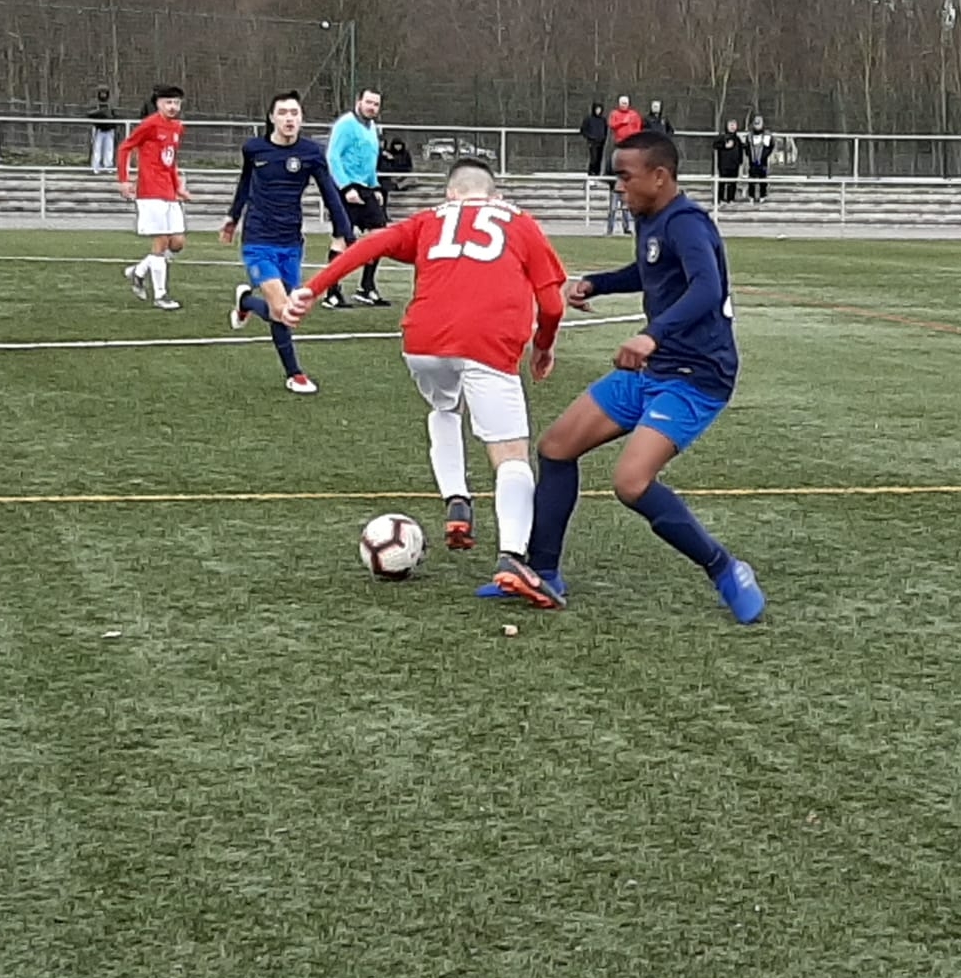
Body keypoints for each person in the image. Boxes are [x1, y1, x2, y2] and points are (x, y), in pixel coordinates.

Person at [486, 130, 765, 624]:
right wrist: (599, 284)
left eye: (624, 176)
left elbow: (707, 287)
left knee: (631, 483)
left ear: (659, 176)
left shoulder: (687, 223)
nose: (617, 185)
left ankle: (725, 569)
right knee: (557, 448)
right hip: (653, 370)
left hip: (695, 377)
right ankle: (543, 573)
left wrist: (651, 336)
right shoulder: (651, 219)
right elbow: (650, 269)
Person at [284, 158, 567, 579]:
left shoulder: (430, 219)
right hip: (488, 341)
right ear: (496, 196)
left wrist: (312, 288)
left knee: (444, 408)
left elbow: (371, 243)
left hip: (422, 339)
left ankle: (457, 500)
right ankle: (511, 555)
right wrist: (542, 345)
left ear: (450, 194)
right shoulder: (520, 222)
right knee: (510, 454)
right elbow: (553, 305)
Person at [220, 90, 354, 395]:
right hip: (258, 239)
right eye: (283, 113)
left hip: (291, 241)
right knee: (283, 311)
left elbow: (330, 193)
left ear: (301, 118)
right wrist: (233, 217)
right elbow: (245, 184)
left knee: (288, 310)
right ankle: (295, 374)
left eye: (295, 113)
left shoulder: (311, 153)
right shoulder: (254, 149)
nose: (289, 118)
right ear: (272, 118)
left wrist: (345, 233)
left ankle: (246, 302)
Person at [117, 84, 189, 310]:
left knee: (177, 243)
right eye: (168, 102)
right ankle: (160, 295)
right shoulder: (149, 125)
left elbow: (171, 161)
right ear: (158, 104)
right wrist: (124, 180)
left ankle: (139, 271)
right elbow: (125, 148)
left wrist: (178, 187)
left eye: (176, 102)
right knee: (161, 241)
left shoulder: (177, 127)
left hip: (168, 191)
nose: (173, 106)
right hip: (150, 191)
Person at [324, 88, 390, 309]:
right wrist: (346, 187)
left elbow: (370, 162)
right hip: (345, 189)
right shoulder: (346, 124)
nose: (372, 107)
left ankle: (366, 287)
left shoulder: (372, 129)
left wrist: (375, 186)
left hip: (365, 188)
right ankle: (332, 292)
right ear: (358, 102)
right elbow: (333, 157)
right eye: (368, 102)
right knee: (342, 238)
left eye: (376, 104)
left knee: (379, 236)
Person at [377, 136, 414, 220]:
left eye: (399, 145)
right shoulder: (385, 153)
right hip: (389, 176)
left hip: (403, 174)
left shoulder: (405, 154)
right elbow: (387, 166)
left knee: (412, 179)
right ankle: (396, 186)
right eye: (396, 145)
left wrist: (402, 173)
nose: (398, 147)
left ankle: (398, 186)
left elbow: (409, 167)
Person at [713, 120, 745, 206]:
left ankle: (731, 199)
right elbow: (715, 145)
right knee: (722, 182)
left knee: (733, 183)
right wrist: (724, 145)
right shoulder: (722, 137)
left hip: (734, 164)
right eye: (730, 125)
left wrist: (740, 162)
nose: (732, 126)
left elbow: (741, 150)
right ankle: (720, 199)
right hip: (724, 164)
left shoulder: (738, 139)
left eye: (734, 125)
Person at [88, 87, 118, 174]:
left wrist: (112, 123)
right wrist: (100, 112)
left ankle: (108, 166)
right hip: (98, 129)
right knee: (97, 148)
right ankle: (96, 167)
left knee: (109, 149)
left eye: (105, 93)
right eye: (101, 93)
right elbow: (90, 114)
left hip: (109, 129)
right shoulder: (95, 103)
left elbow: (114, 115)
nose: (103, 95)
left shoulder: (111, 104)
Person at [744, 116, 774, 203]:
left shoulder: (767, 135)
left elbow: (771, 145)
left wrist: (766, 154)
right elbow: (746, 146)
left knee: (763, 177)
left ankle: (762, 195)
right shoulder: (749, 135)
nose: (757, 125)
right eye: (755, 123)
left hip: (763, 160)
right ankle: (751, 195)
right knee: (752, 178)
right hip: (752, 160)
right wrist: (749, 154)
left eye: (759, 123)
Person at [579, 102, 608, 181]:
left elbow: (605, 130)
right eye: (597, 109)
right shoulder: (588, 119)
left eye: (599, 109)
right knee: (593, 158)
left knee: (599, 158)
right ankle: (591, 173)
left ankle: (597, 174)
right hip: (592, 142)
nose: (598, 111)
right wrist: (589, 137)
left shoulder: (603, 120)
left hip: (601, 142)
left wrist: (604, 138)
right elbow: (583, 130)